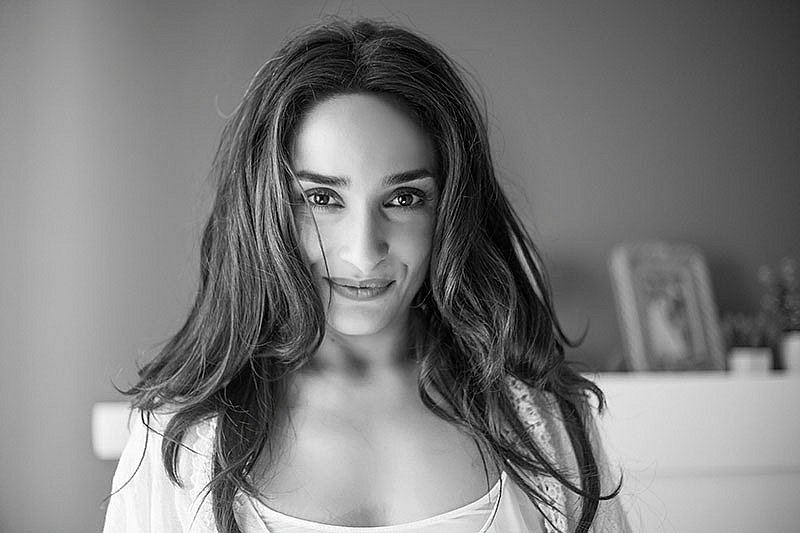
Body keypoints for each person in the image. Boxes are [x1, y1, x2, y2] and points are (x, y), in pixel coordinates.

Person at [103, 18, 630, 533]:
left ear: (450, 211)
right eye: (322, 198)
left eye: (404, 199)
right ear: (267, 209)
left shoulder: (549, 425)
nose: (363, 252)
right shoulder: (179, 439)